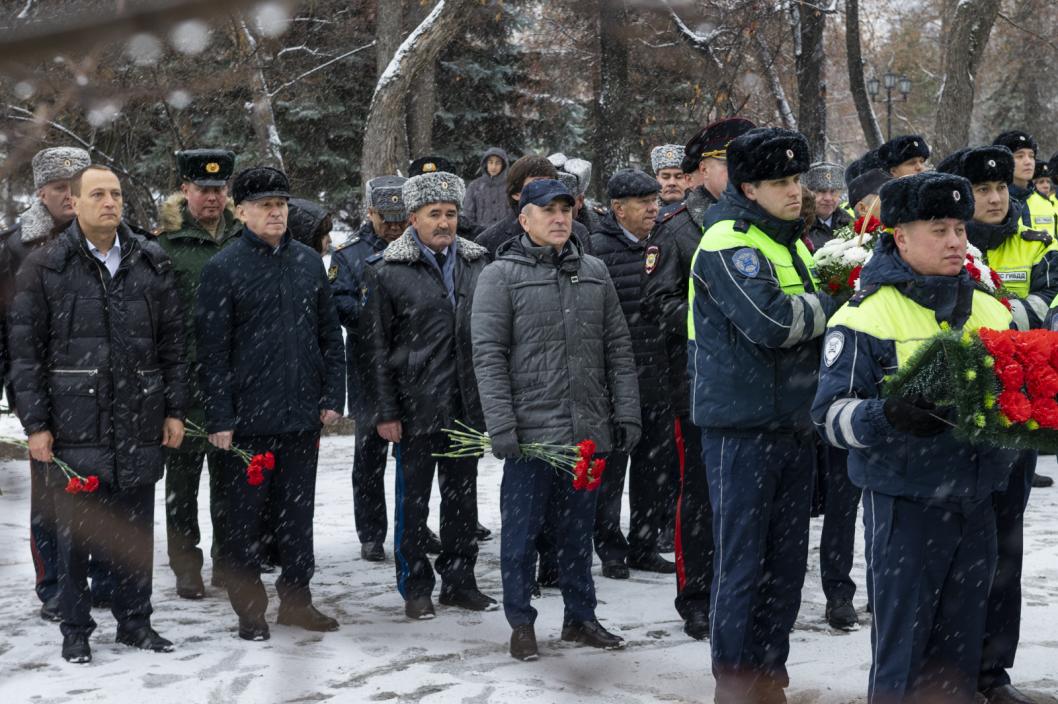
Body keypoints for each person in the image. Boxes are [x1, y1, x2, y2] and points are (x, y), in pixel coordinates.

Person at [813, 171, 1016, 704]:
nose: (955, 241)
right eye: (938, 229)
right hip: (906, 506)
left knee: (959, 655)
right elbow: (829, 417)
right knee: (903, 654)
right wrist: (889, 416)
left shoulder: (993, 309)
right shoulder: (865, 315)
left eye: (958, 228)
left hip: (976, 504)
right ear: (899, 236)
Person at [9, 164, 188, 663]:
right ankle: (75, 628)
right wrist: (37, 425)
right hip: (74, 424)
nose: (109, 202)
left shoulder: (150, 262)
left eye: (115, 194)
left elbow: (172, 347)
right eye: (98, 194)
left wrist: (174, 410)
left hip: (138, 417)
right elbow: (26, 355)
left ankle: (135, 621)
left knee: (134, 528)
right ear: (77, 203)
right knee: (76, 536)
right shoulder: (45, 267)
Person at [689, 127, 837, 701]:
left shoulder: (787, 240)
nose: (795, 191)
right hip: (741, 427)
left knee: (785, 563)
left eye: (797, 179)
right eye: (781, 181)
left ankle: (771, 674)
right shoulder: (730, 239)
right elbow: (772, 323)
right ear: (748, 187)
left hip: (790, 423)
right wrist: (837, 304)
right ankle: (735, 680)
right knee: (743, 564)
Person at [471, 178, 640, 661]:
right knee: (521, 536)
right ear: (524, 219)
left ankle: (580, 618)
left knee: (577, 532)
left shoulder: (594, 271)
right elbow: (488, 356)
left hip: (586, 431)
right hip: (530, 436)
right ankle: (521, 622)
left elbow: (618, 349)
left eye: (566, 209)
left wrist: (625, 411)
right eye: (549, 210)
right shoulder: (500, 276)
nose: (560, 218)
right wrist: (502, 426)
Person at [197, 166, 345, 641]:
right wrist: (219, 416)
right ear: (241, 212)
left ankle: (297, 601)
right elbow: (211, 352)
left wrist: (330, 395)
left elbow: (329, 335)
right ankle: (250, 608)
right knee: (244, 522)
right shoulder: (223, 268)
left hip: (301, 417)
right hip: (247, 423)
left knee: (297, 519)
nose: (276, 211)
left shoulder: (307, 262)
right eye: (265, 204)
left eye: (281, 203)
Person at [936, 146, 1058, 704]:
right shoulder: (941, 245)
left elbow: (1048, 306)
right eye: (982, 189)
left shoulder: (1035, 243)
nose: (993, 198)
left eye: (1001, 188)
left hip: (1017, 411)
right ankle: (947, 669)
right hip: (955, 418)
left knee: (1006, 552)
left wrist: (999, 314)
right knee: (953, 549)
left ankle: (992, 672)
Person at [641, 116, 755, 641]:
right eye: (731, 163)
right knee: (701, 496)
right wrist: (718, 315)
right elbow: (657, 302)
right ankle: (698, 596)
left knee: (748, 499)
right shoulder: (680, 228)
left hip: (754, 386)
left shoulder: (759, 222)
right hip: (698, 383)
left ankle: (743, 588)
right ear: (704, 169)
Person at [364, 170, 497, 619]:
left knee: (463, 500)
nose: (444, 222)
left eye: (451, 213)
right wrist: (387, 411)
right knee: (413, 502)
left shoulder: (479, 263)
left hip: (465, 404)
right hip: (415, 405)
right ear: (413, 219)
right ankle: (416, 584)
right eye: (434, 214)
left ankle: (459, 581)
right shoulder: (388, 272)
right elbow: (378, 349)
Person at [0, 147, 114, 622]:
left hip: (103, 385)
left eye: (76, 185)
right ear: (41, 192)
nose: (69, 196)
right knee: (51, 494)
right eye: (60, 187)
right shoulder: (13, 248)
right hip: (42, 388)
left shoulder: (109, 240)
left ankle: (104, 578)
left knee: (105, 488)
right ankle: (53, 586)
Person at [156, 148, 241, 600]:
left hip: (233, 380)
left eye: (219, 189)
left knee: (230, 481)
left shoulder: (243, 238)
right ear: (185, 190)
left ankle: (229, 560)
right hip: (185, 383)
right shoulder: (164, 246)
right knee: (183, 483)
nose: (211, 197)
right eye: (203, 189)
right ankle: (186, 564)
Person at [590, 169, 677, 578]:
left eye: (655, 201)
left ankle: (644, 543)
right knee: (610, 469)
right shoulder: (595, 250)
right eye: (644, 203)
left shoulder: (664, 243)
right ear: (618, 208)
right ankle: (609, 547)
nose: (653, 209)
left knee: (653, 469)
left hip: (659, 376)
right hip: (615, 382)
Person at [331, 176, 407, 562]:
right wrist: (375, 317)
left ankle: (415, 527)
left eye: (401, 217)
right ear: (371, 213)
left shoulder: (418, 247)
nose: (395, 226)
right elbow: (339, 304)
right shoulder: (349, 255)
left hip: (413, 369)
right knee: (369, 460)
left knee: (416, 459)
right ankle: (372, 532)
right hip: (368, 369)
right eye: (387, 218)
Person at [475, 155, 594, 256]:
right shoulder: (490, 240)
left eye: (551, 183)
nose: (546, 189)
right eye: (537, 183)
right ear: (516, 193)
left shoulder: (577, 231)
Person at [994, 130, 1057, 239]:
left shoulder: (1045, 203)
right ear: (1004, 160)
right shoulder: (994, 202)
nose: (1028, 162)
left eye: (1031, 156)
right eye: (1020, 156)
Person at [803, 161, 852, 249]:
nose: (828, 198)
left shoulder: (850, 224)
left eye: (833, 191)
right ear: (808, 193)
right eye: (821, 191)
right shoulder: (800, 227)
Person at [463, 147, 511, 230]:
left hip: (506, 236)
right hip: (480, 236)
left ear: (503, 165)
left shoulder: (510, 186)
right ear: (486, 164)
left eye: (497, 163)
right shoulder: (474, 186)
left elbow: (515, 215)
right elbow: (468, 215)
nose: (493, 166)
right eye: (490, 162)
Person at [651, 144, 686, 209]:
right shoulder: (645, 213)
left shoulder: (705, 212)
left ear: (688, 179)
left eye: (678, 176)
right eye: (665, 177)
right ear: (657, 180)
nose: (672, 183)